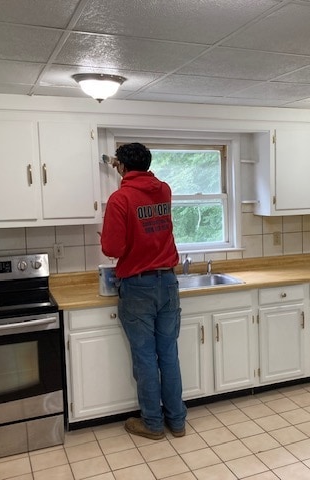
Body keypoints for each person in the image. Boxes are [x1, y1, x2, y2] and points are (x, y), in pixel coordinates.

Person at [100, 142, 186, 440]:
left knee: (146, 358)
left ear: (122, 166)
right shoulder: (163, 190)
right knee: (169, 355)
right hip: (168, 283)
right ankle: (177, 422)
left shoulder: (120, 198)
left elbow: (113, 248)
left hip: (138, 286)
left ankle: (152, 423)